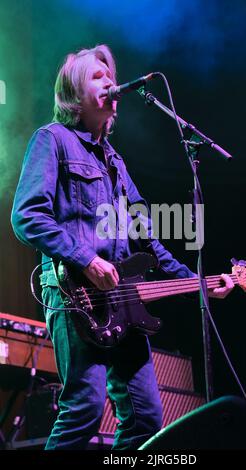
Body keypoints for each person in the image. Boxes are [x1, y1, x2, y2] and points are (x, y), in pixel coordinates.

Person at [11, 44, 234, 450]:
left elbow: (148, 239)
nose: (110, 83)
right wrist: (87, 259)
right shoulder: (53, 140)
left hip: (123, 301)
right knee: (84, 409)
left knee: (146, 418)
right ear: (74, 94)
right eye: (97, 77)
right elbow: (27, 216)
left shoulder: (117, 163)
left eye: (110, 76)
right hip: (73, 293)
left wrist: (198, 281)